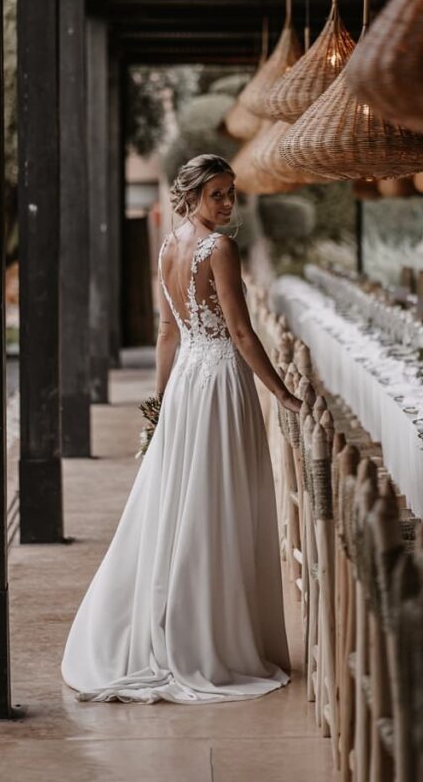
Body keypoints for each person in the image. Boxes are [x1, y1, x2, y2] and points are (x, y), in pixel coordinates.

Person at [62, 153, 301, 704]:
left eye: (230, 193)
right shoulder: (220, 248)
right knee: (219, 502)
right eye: (216, 194)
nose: (226, 203)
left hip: (191, 382)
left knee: (187, 501)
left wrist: (162, 400)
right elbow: (240, 333)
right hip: (218, 382)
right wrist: (282, 392)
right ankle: (212, 640)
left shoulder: (169, 246)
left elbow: (169, 332)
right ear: (192, 195)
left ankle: (184, 628)